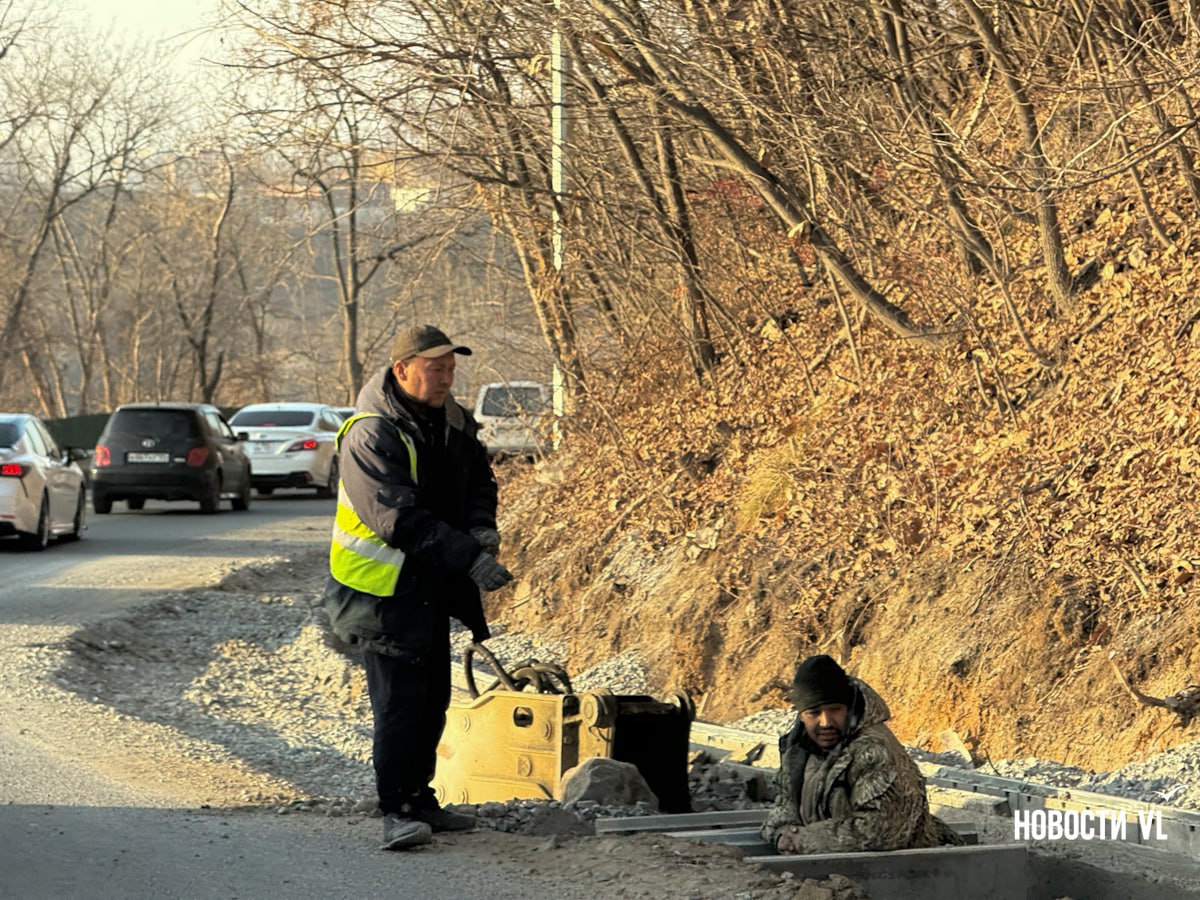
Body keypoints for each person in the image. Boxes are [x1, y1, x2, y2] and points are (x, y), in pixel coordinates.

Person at [323, 323, 513, 851]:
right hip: (380, 593)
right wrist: (468, 557)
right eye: (436, 368)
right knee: (400, 704)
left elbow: (480, 480)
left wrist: (481, 526)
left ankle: (421, 800)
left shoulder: (453, 421)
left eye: (451, 368)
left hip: (428, 583)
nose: (446, 377)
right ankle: (398, 810)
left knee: (431, 701)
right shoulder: (370, 433)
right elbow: (397, 520)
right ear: (403, 369)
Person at [761, 654, 963, 854]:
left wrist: (805, 839)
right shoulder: (798, 749)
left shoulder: (874, 750)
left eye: (835, 710)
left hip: (903, 866)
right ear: (801, 715)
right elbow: (784, 804)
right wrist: (782, 831)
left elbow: (880, 830)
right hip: (832, 860)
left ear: (849, 709)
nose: (826, 722)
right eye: (814, 713)